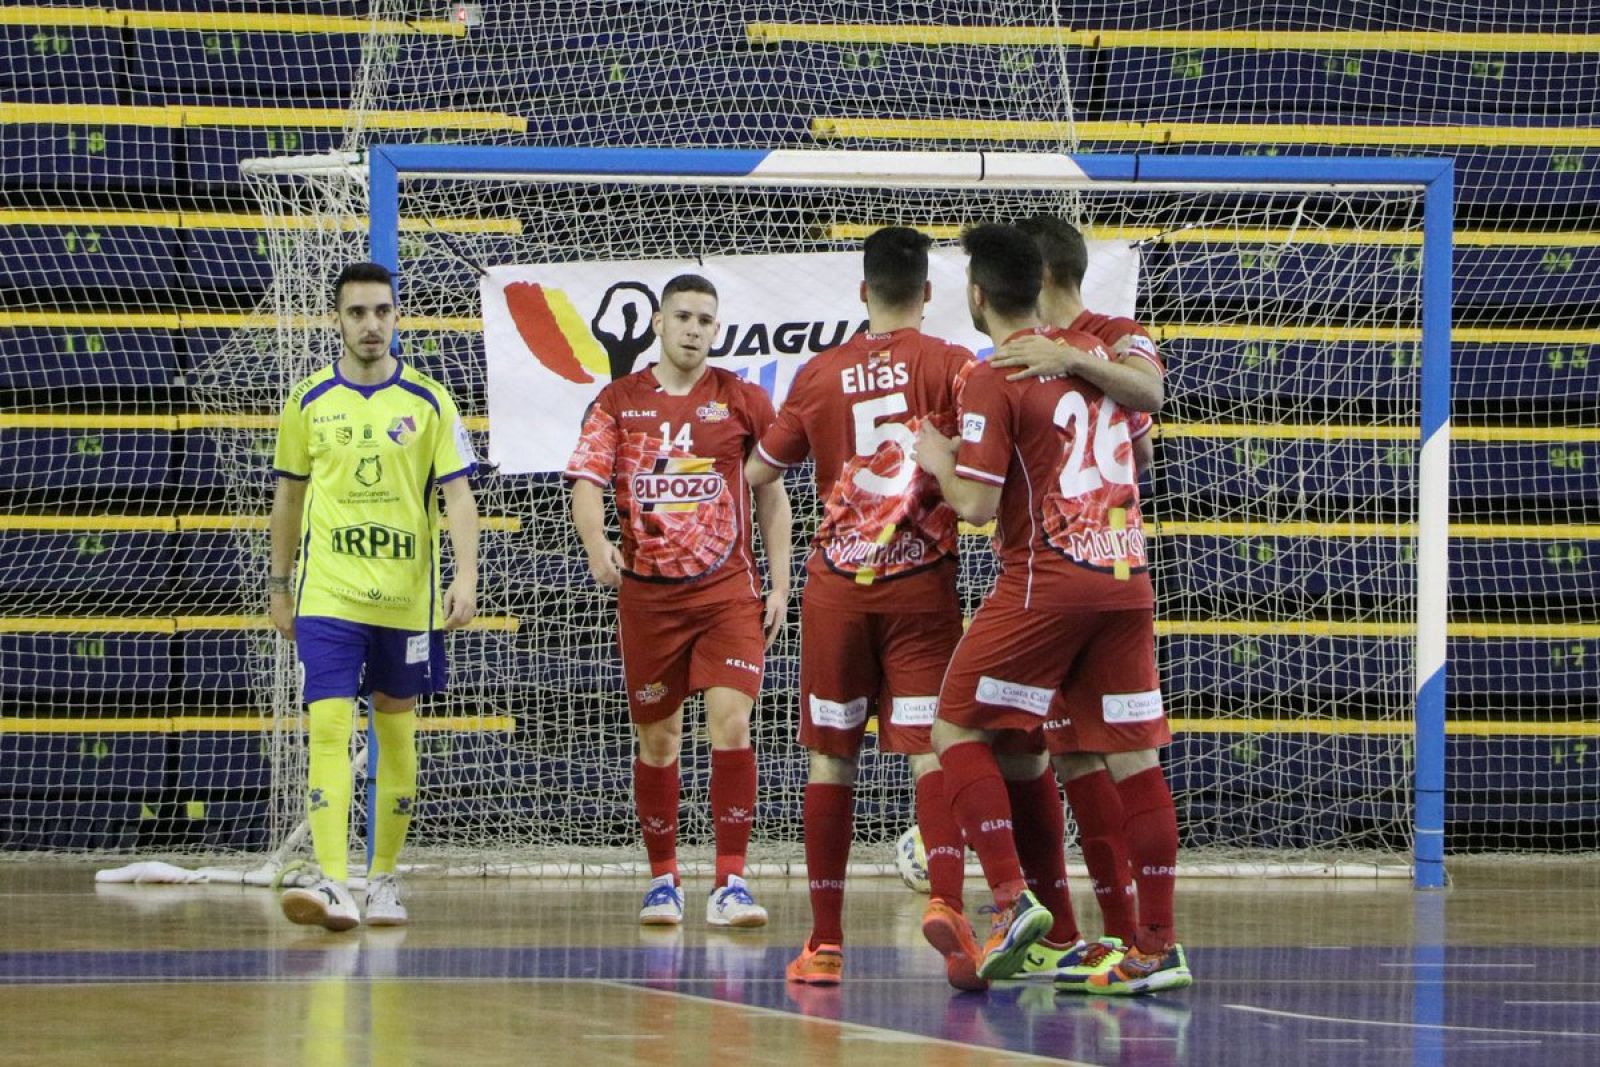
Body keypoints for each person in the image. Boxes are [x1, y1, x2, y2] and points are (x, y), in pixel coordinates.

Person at [914, 224, 1191, 993]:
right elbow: (1139, 448)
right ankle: (1152, 944)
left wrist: (936, 461)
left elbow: (973, 505)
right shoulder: (1097, 362)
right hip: (1125, 577)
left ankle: (1010, 899)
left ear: (978, 293)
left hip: (1046, 582)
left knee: (954, 727)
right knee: (1121, 755)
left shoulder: (1009, 367)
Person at [744, 227, 981, 989]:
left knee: (830, 756)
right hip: (923, 589)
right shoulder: (952, 364)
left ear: (862, 292)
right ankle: (949, 901)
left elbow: (758, 469)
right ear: (929, 293)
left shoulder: (819, 372)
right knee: (931, 748)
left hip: (838, 594)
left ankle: (824, 942)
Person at [566, 273, 791, 929]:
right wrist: (594, 541)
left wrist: (779, 583)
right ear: (659, 323)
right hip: (649, 598)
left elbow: (773, 495)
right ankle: (663, 879)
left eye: (706, 320)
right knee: (659, 739)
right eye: (683, 316)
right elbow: (585, 478)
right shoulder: (618, 401)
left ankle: (731, 882)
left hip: (727, 593)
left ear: (716, 330)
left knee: (733, 721)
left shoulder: (744, 399)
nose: (694, 329)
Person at [985, 215, 1170, 981]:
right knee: (1074, 754)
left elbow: (1149, 405)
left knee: (1125, 754)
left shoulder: (1113, 333)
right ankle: (1124, 935)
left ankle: (1155, 939)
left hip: (1082, 576)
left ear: (1042, 271)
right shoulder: (1012, 354)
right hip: (1054, 574)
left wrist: (1067, 360)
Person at [269, 261, 480, 931]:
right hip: (327, 595)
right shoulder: (307, 401)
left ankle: (383, 878)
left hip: (405, 600)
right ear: (336, 318)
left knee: (394, 734)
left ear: (396, 317)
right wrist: (278, 583)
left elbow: (459, 495)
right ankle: (335, 883)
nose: (370, 324)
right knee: (329, 727)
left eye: (381, 311)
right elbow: (289, 499)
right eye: (357, 312)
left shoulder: (429, 401)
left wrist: (467, 574)